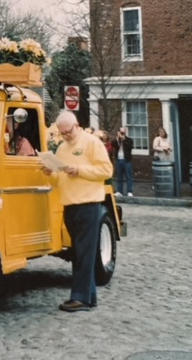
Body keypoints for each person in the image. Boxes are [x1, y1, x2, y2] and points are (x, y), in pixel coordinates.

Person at [41, 111, 112, 312]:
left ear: (77, 125)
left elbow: (107, 171)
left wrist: (79, 171)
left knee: (84, 253)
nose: (65, 136)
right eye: (62, 133)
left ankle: (79, 297)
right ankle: (88, 297)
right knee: (80, 253)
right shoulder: (62, 148)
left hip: (88, 204)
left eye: (68, 132)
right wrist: (50, 173)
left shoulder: (92, 143)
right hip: (69, 205)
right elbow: (59, 180)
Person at [112, 126, 134, 197]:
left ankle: (129, 191)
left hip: (127, 160)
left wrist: (123, 139)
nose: (122, 133)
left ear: (125, 132)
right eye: (121, 132)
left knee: (129, 176)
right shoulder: (117, 140)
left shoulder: (129, 140)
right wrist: (118, 138)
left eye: (123, 132)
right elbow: (113, 144)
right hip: (119, 160)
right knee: (119, 176)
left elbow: (129, 146)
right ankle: (119, 191)